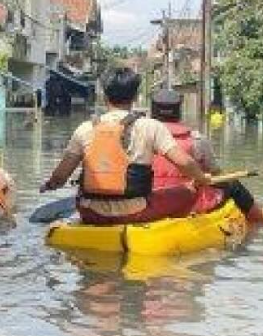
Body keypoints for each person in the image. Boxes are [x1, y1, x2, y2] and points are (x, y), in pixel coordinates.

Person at [41, 67, 213, 225]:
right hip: (134, 212)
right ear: (136, 96)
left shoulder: (85, 129)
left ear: (104, 96)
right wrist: (201, 179)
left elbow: (60, 177)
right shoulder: (151, 126)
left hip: (90, 212)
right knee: (189, 191)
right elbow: (184, 163)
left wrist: (49, 185)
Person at [150, 89, 263, 222]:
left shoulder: (137, 139)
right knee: (233, 185)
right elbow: (216, 173)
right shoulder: (197, 139)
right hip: (186, 202)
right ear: (179, 112)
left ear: (153, 111)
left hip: (149, 202)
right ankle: (262, 220)